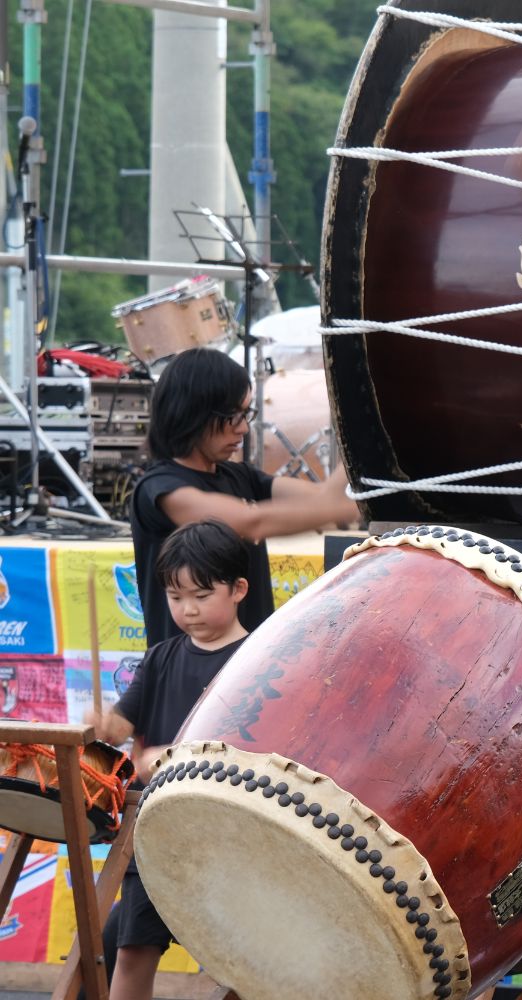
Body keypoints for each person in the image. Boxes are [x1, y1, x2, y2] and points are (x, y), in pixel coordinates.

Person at [85, 519, 255, 1000]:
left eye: (201, 595)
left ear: (239, 589)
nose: (187, 609)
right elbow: (120, 730)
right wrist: (101, 724)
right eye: (175, 597)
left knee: (242, 964)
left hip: (230, 834)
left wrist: (176, 757)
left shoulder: (260, 662)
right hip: (157, 833)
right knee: (133, 950)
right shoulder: (160, 657)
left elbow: (261, 750)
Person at [130, 347, 358, 645]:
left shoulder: (240, 476)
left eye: (246, 414)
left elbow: (321, 498)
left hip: (247, 663)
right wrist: (343, 509)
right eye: (233, 416)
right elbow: (252, 523)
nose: (243, 428)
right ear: (192, 414)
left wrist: (359, 443)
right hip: (189, 670)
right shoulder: (162, 491)